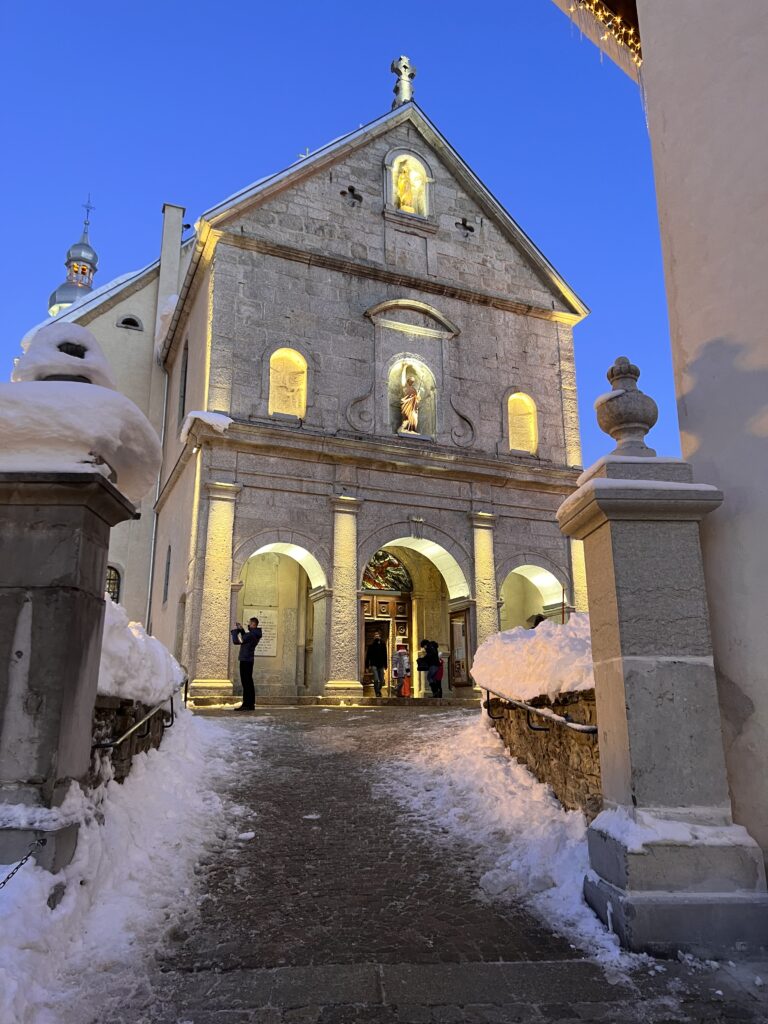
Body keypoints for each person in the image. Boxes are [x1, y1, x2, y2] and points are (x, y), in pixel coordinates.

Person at [230, 617, 262, 710]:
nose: (249, 624)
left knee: (246, 682)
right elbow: (245, 638)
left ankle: (247, 705)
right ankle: (250, 704)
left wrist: (235, 632)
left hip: (246, 660)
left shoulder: (252, 635)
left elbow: (238, 641)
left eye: (250, 623)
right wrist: (241, 629)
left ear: (253, 625)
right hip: (248, 660)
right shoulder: (254, 634)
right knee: (248, 682)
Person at [365, 630, 388, 697]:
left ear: (380, 636)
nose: (376, 636)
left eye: (378, 635)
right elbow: (368, 657)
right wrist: (367, 666)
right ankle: (377, 692)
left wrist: (385, 665)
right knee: (376, 679)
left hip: (381, 665)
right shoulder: (371, 646)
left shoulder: (383, 644)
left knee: (381, 680)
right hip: (373, 665)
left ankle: (378, 690)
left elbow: (385, 655)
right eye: (375, 635)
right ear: (374, 637)